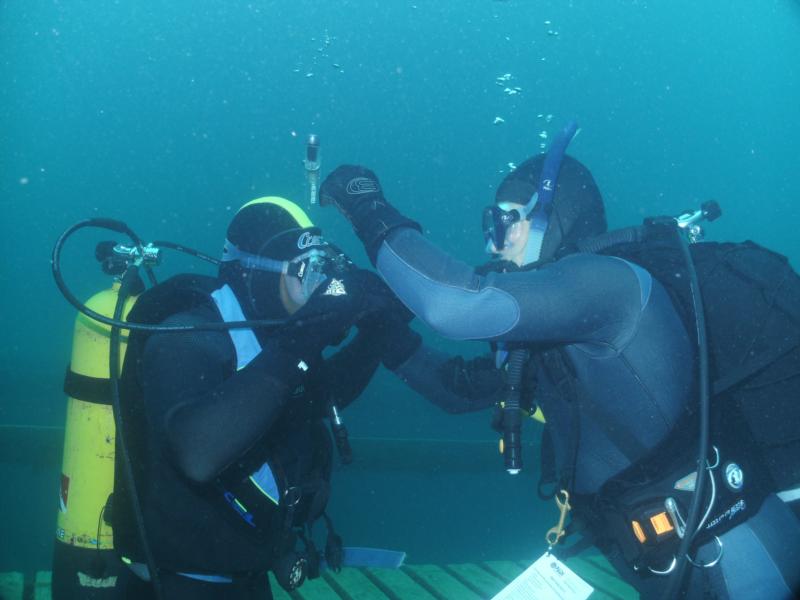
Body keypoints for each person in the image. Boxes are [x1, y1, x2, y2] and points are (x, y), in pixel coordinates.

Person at [318, 134, 800, 598]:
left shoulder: (611, 286)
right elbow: (456, 390)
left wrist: (368, 209)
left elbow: (453, 305)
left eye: (503, 221)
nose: (492, 243)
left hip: (735, 563)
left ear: (555, 214)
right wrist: (379, 327)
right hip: (673, 566)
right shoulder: (556, 337)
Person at [110, 197, 409, 599]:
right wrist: (310, 332)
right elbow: (199, 453)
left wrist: (376, 335)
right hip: (178, 585)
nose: (316, 290)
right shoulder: (186, 337)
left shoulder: (272, 340)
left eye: (324, 273)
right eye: (307, 273)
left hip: (248, 574)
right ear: (257, 271)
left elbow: (322, 396)